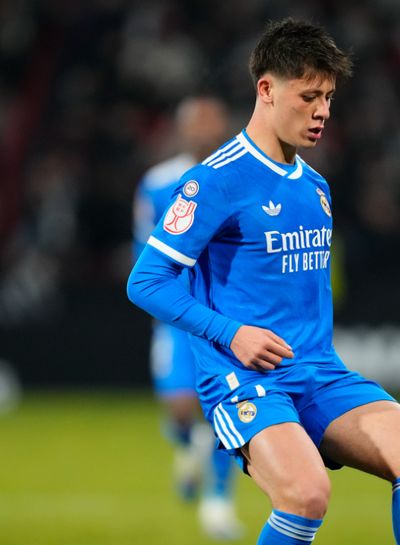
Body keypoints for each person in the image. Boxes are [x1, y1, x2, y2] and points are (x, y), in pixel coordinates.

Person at [127, 18, 400, 545]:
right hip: (244, 379)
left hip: (318, 371)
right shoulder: (214, 180)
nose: (323, 112)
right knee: (306, 494)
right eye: (309, 97)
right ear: (267, 90)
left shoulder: (316, 187)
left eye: (329, 98)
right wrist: (231, 332)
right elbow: (145, 281)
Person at [132, 95, 243, 540]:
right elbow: (144, 247)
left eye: (211, 122)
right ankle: (186, 445)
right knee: (180, 407)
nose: (204, 130)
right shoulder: (158, 182)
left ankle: (218, 501)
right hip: (177, 314)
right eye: (196, 123)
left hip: (223, 313)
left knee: (224, 409)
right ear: (181, 129)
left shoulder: (239, 177)